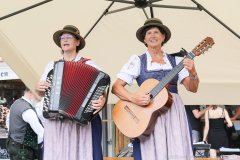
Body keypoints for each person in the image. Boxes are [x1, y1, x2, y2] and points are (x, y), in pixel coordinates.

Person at [112, 18, 200, 160]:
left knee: (176, 148)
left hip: (173, 110)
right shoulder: (137, 61)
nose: (153, 35)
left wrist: (193, 72)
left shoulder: (177, 60)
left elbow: (193, 88)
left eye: (156, 32)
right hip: (147, 111)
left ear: (163, 37)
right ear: (144, 39)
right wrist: (134, 98)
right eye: (149, 33)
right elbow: (116, 87)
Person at [35, 25, 107, 160]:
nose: (65, 40)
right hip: (57, 121)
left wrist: (102, 100)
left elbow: (102, 87)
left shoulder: (89, 64)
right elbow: (41, 93)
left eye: (69, 37)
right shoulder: (52, 65)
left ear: (77, 42)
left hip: (80, 121)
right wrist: (38, 87)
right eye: (62, 38)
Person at [6, 87, 44, 160]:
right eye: (38, 95)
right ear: (31, 92)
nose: (39, 99)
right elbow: (40, 132)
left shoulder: (15, 103)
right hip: (24, 150)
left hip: (13, 144)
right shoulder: (28, 110)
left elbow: (8, 122)